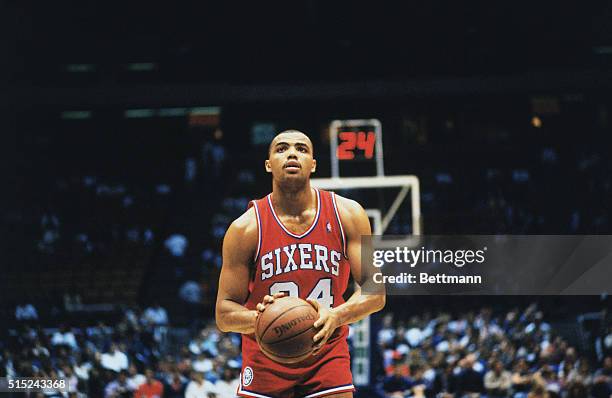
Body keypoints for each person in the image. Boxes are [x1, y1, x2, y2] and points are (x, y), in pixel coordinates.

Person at [215, 130, 385, 397]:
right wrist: (260, 320)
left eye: (302, 149)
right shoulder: (245, 229)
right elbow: (224, 314)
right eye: (282, 148)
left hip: (326, 353)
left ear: (313, 164)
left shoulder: (347, 214)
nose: (292, 153)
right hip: (265, 358)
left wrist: (336, 315)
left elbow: (376, 292)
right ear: (268, 164)